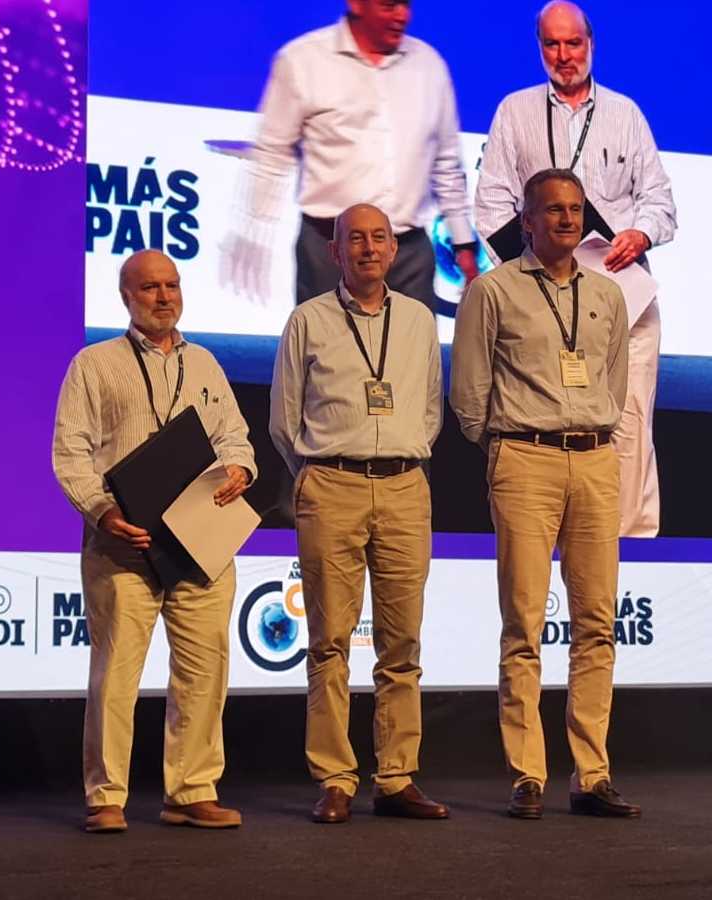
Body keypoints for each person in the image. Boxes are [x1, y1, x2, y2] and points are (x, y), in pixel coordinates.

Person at [451, 168, 640, 819]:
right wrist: (504, 446)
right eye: (553, 209)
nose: (567, 219)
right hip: (524, 459)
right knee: (524, 622)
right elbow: (469, 392)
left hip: (594, 460)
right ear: (526, 220)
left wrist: (594, 430)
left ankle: (592, 774)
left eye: (575, 209)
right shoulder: (493, 289)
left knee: (596, 623)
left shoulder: (607, 293)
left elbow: (615, 381)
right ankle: (527, 775)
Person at [52, 249, 256, 833]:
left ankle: (191, 791)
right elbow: (71, 452)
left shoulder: (207, 364)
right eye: (149, 288)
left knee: (204, 670)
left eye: (172, 285)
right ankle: (106, 797)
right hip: (125, 543)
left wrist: (241, 468)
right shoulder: (94, 364)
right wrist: (102, 511)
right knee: (116, 672)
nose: (164, 297)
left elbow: (235, 437)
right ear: (125, 296)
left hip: (200, 541)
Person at [270, 203, 448, 824]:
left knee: (402, 642)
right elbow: (284, 421)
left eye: (379, 238)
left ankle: (396, 777)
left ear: (395, 250)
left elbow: (430, 410)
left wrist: (399, 456)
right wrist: (319, 476)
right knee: (329, 642)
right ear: (335, 251)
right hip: (331, 486)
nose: (369, 248)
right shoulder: (308, 319)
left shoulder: (419, 319)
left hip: (404, 487)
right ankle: (335, 778)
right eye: (355, 239)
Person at [474, 0, 676, 537]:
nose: (564, 55)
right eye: (552, 44)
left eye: (573, 43)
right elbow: (491, 206)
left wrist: (641, 233)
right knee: (548, 427)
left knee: (630, 424)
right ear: (539, 47)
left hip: (623, 300)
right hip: (543, 306)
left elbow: (660, 201)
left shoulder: (625, 113)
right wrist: (528, 273)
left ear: (591, 44)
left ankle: (632, 548)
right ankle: (554, 546)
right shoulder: (515, 111)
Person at [226, 0, 479, 310]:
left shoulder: (429, 66)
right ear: (357, 4)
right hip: (330, 254)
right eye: (389, 5)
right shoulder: (303, 61)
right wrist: (253, 231)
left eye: (405, 4)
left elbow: (446, 163)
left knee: (414, 341)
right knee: (325, 341)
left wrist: (463, 244)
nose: (402, 15)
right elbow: (272, 153)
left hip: (408, 254)